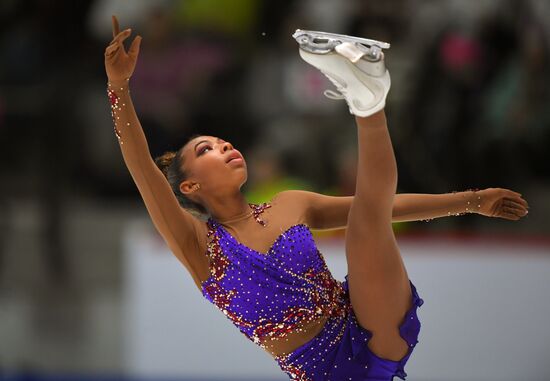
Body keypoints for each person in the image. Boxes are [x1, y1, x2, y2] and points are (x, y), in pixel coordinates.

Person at [104, 15, 529, 381]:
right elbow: (142, 167)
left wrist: (472, 200)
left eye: (221, 140)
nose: (225, 146)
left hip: (367, 320)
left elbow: (382, 208)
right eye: (207, 150)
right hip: (327, 372)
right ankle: (365, 98)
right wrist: (119, 90)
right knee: (369, 214)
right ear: (190, 187)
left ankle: (368, 101)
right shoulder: (197, 246)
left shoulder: (290, 204)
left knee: (368, 215)